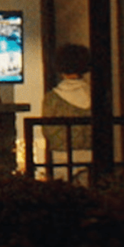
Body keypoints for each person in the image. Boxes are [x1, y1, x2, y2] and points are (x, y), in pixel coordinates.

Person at [37, 43, 94, 180]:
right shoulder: (94, 94)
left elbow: (48, 131)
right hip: (91, 155)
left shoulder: (53, 98)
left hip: (61, 157)